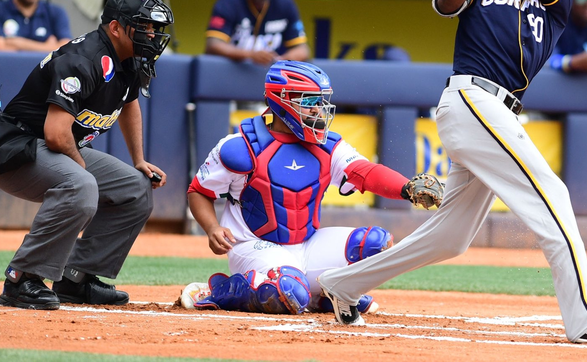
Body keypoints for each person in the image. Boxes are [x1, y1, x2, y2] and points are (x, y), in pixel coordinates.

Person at [316, 0, 587, 345]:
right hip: (474, 99)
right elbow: (444, 3)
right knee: (553, 196)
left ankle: (343, 284)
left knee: (451, 237)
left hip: (498, 112)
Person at [180, 60, 443, 315]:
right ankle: (221, 290)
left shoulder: (327, 144)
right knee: (289, 292)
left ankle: (326, 295)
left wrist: (407, 188)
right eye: (309, 102)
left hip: (306, 244)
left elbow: (365, 172)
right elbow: (198, 191)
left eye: (321, 102)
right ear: (282, 100)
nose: (319, 110)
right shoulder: (241, 147)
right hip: (254, 245)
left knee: (377, 244)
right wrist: (212, 228)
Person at [0, 0, 174, 310]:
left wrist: (138, 159)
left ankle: (76, 278)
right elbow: (56, 134)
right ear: (116, 27)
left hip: (54, 148)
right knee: (81, 185)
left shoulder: (129, 58)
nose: (152, 35)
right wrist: (80, 169)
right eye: (144, 27)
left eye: (153, 28)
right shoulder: (83, 59)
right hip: (17, 149)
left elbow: (129, 104)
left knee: (136, 188)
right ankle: (22, 279)